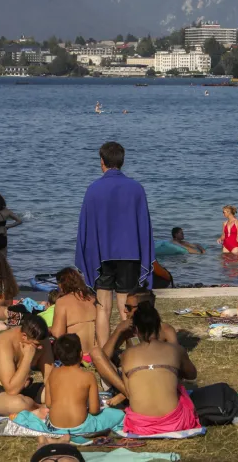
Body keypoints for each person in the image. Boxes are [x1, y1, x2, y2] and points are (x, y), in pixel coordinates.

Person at [75, 141, 155, 349]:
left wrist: (85, 255)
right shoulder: (136, 188)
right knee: (125, 308)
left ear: (102, 162)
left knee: (102, 308)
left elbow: (86, 226)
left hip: (101, 256)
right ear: (122, 161)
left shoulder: (93, 189)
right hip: (130, 254)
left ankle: (105, 354)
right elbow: (144, 225)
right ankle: (131, 353)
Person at [13, 334, 125, 435]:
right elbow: (94, 411)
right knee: (118, 414)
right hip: (82, 427)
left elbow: (49, 403)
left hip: (54, 426)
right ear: (81, 354)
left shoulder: (53, 373)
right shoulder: (88, 376)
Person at [119, 301, 200, 435]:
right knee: (179, 386)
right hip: (175, 423)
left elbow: (129, 392)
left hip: (140, 425)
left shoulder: (126, 355)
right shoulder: (175, 350)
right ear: (158, 326)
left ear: (136, 330)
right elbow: (192, 375)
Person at [0, 315, 54, 416]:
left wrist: (51, 400)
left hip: (23, 389)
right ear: (24, 336)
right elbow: (12, 390)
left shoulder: (42, 340)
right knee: (18, 404)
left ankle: (40, 409)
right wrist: (28, 357)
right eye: (36, 345)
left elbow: (49, 378)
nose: (40, 348)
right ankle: (40, 409)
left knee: (61, 391)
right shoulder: (4, 343)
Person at [50, 267, 97, 359]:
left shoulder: (62, 302)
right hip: (95, 353)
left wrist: (48, 330)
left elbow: (57, 334)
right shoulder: (92, 299)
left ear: (62, 284)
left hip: (75, 354)